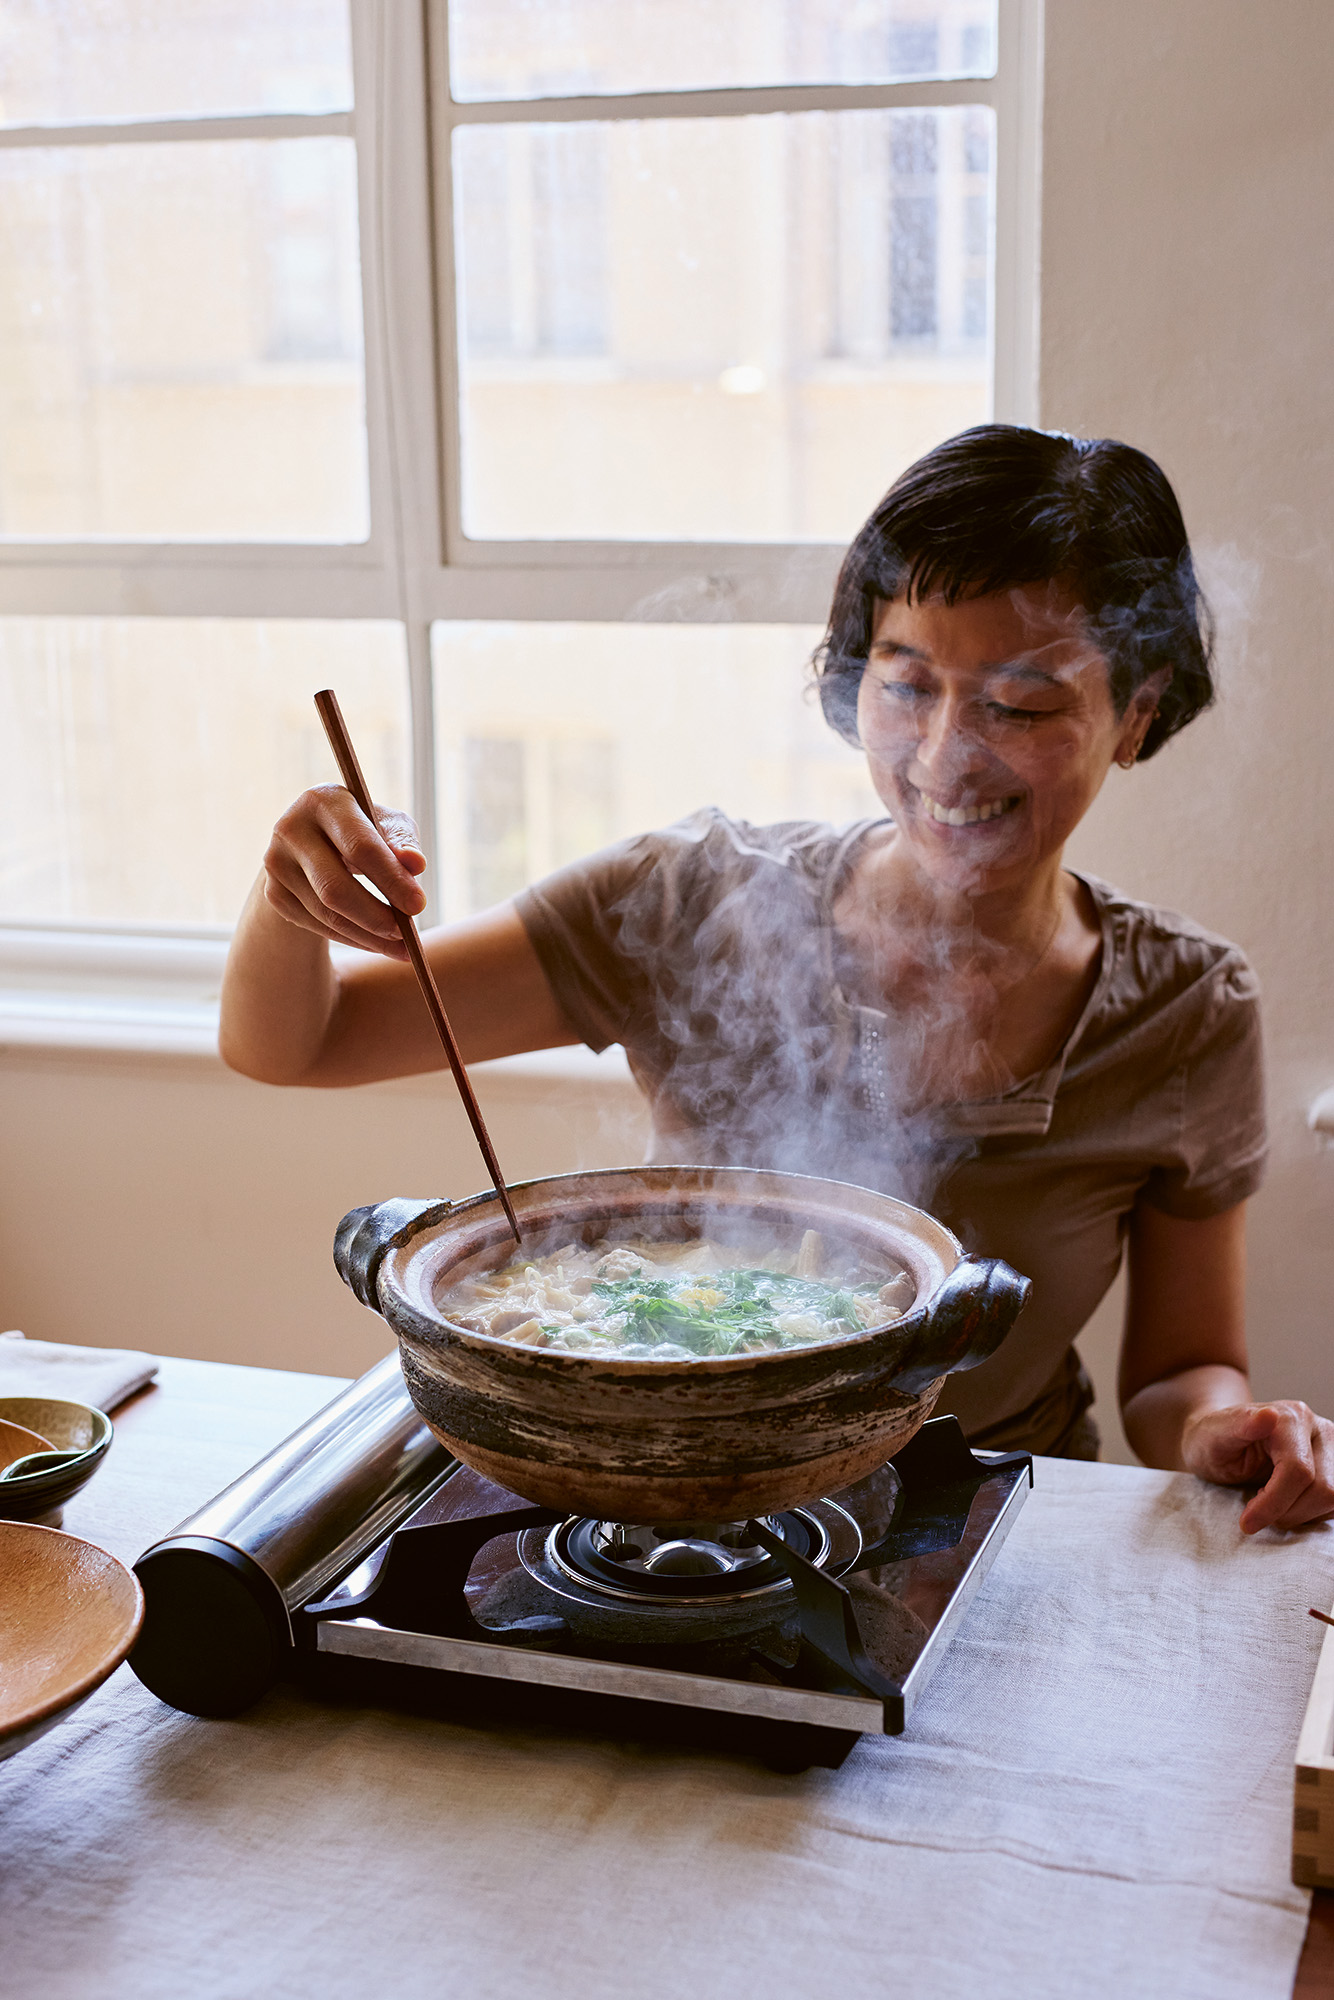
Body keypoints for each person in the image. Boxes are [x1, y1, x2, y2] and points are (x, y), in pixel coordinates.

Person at [220, 424, 1334, 1534]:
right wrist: (289, 898)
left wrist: (1216, 1428)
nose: (945, 753)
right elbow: (299, 1041)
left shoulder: (1184, 1008)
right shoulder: (691, 899)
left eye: (1019, 705)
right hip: (668, 1497)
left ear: (1134, 712)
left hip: (995, 1519)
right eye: (904, 685)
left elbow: (1177, 1372)